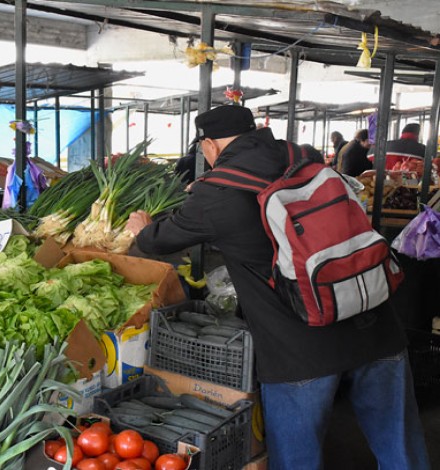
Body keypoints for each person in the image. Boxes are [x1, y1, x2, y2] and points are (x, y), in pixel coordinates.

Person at [125, 105, 430, 470]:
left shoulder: (217, 192)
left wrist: (143, 226)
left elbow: (157, 242)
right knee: (401, 450)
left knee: (297, 460)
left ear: (208, 145)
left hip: (300, 347)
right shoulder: (303, 157)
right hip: (373, 319)